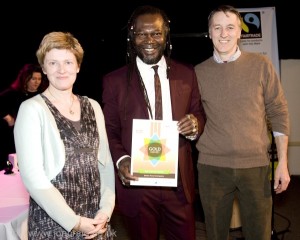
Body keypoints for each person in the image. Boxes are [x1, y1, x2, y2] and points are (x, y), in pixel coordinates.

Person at [102, 5, 206, 240]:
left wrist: (195, 124)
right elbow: (110, 128)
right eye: (141, 33)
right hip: (137, 182)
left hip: (179, 182)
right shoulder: (114, 81)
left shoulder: (187, 73)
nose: (149, 39)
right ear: (132, 36)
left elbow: (198, 112)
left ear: (166, 35)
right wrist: (121, 159)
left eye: (156, 33)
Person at [194, 5, 290, 240]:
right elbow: (194, 116)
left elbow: (278, 112)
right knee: (215, 234)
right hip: (212, 168)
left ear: (240, 32)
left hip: (255, 166)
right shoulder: (197, 72)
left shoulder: (261, 65)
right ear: (210, 32)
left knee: (259, 234)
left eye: (230, 27)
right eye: (217, 28)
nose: (224, 34)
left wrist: (283, 163)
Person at [14, 31, 115, 239]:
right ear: (43, 67)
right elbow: (33, 178)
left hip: (95, 223)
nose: (61, 70)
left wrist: (105, 210)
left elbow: (105, 166)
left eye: (68, 62)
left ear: (78, 66)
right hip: (53, 225)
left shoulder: (93, 107)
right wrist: (75, 222)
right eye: (53, 63)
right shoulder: (31, 109)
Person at [0, 63, 48, 171]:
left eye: (39, 79)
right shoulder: (14, 93)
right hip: (15, 139)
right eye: (33, 79)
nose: (37, 82)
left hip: (36, 138)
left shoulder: (43, 95)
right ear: (26, 79)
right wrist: (9, 118)